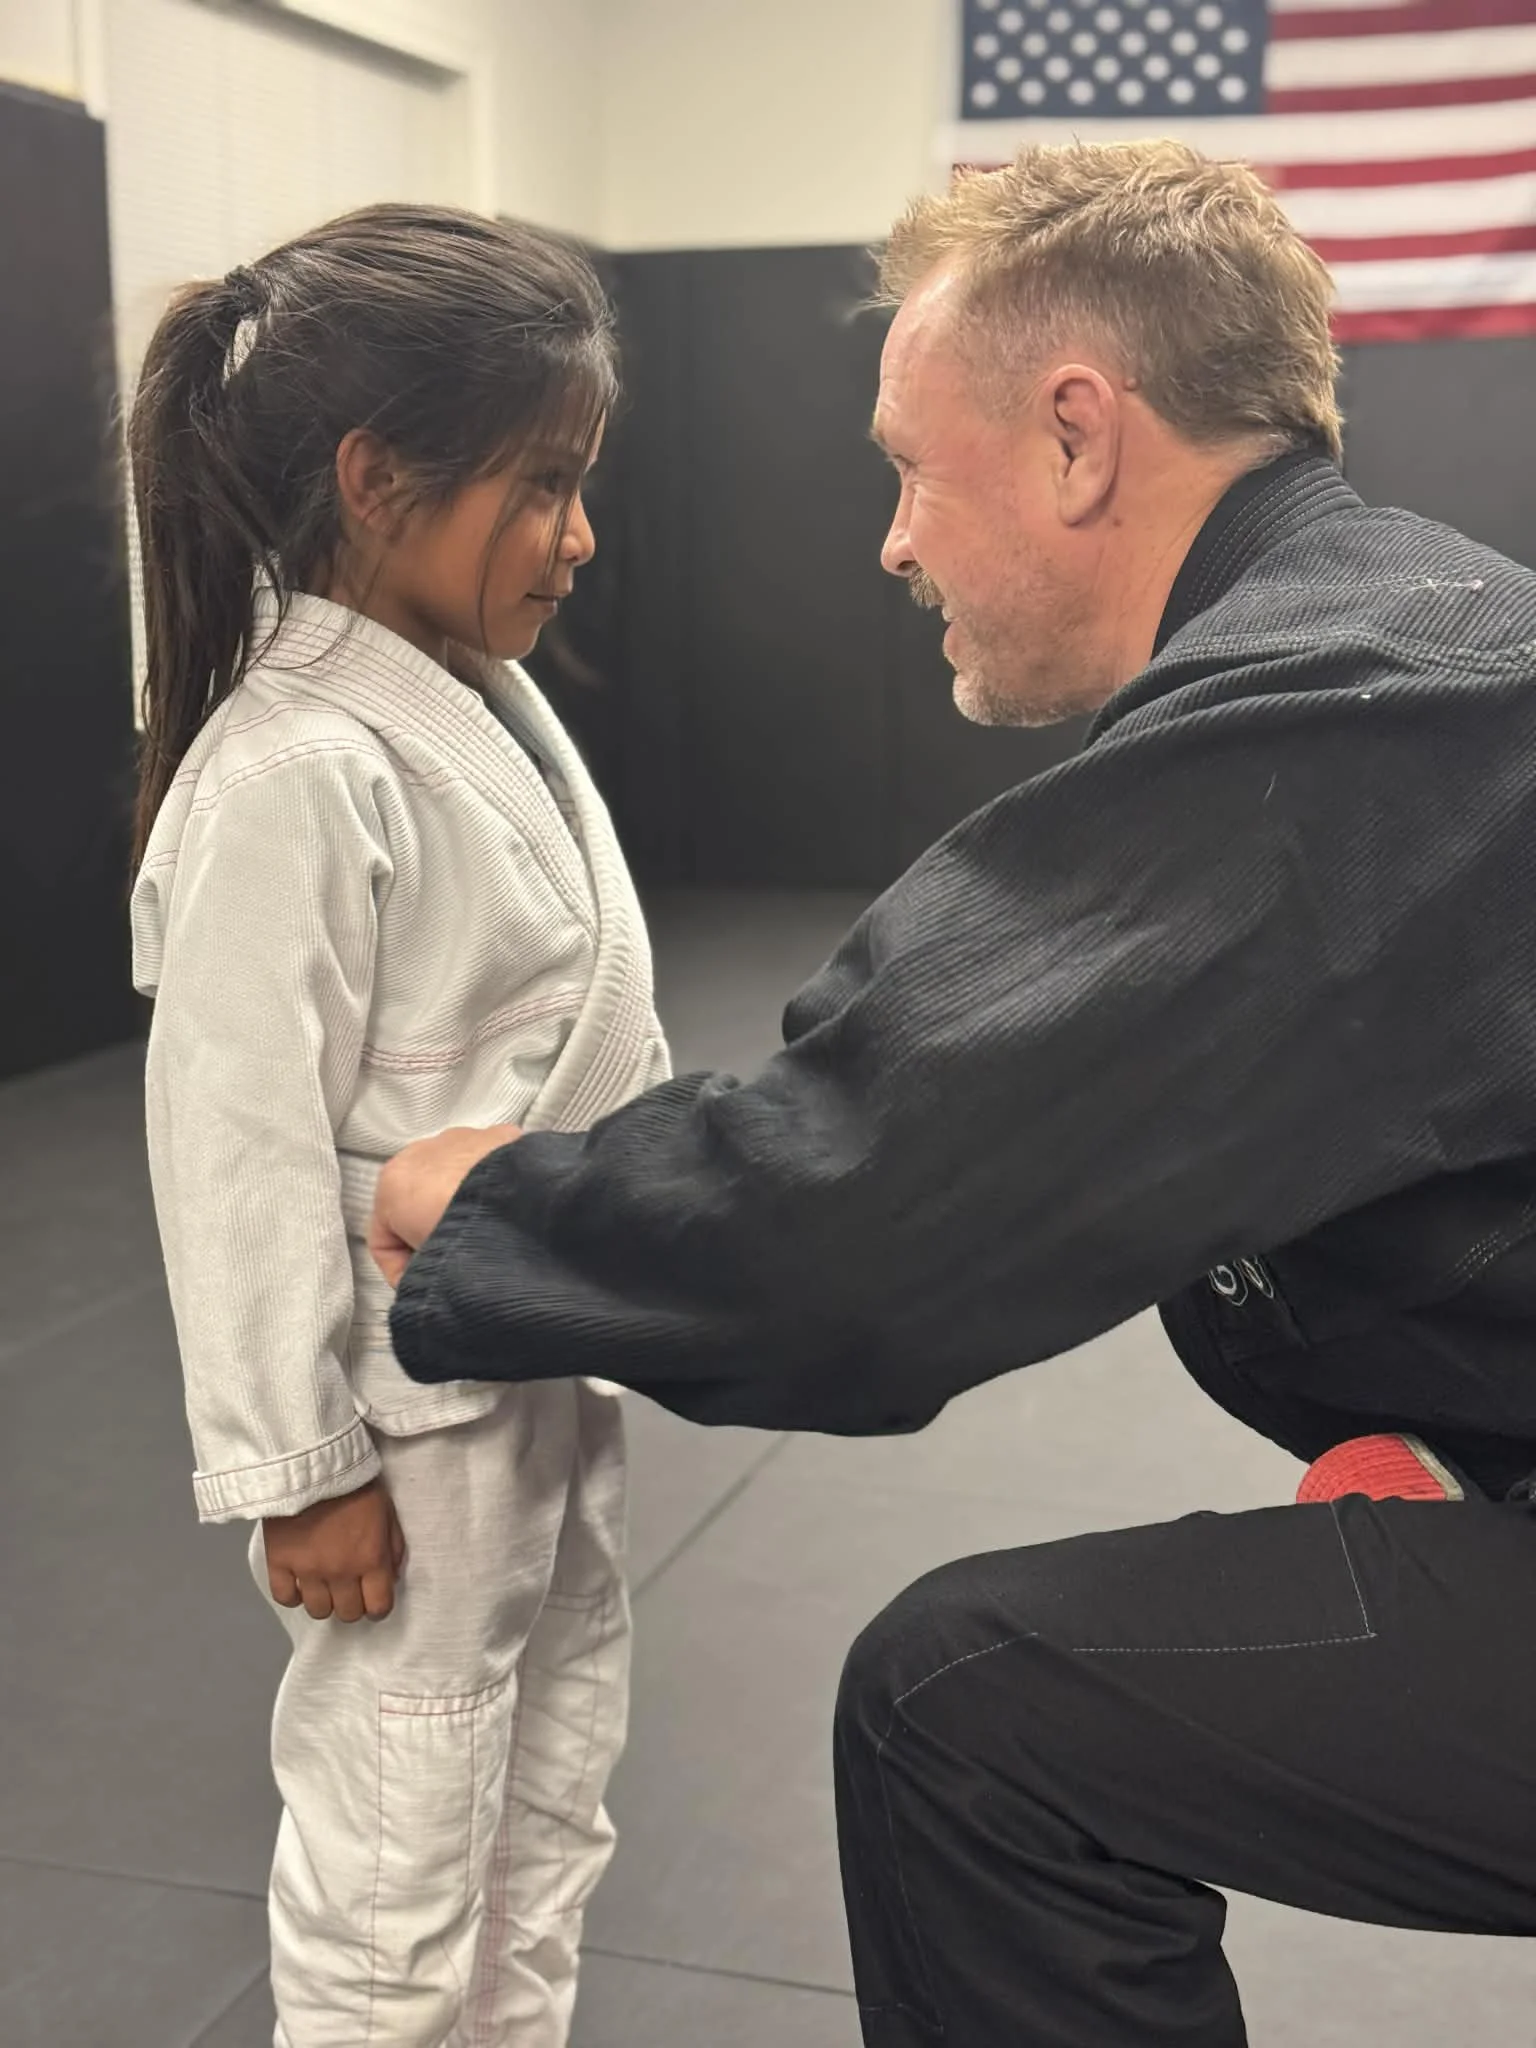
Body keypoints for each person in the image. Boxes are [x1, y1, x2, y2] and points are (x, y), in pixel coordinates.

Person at [369, 142, 1536, 2047]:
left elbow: (852, 1230)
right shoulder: (1442, 632)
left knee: (966, 1710)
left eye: (912, 464)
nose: (896, 540)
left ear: (1079, 437)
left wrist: (492, 1197)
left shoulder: (1335, 725)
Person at [128, 203, 667, 2048]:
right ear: (375, 479)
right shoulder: (294, 765)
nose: (579, 536)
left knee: (546, 1792)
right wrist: (300, 1465)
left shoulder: (471, 704)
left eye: (584, 484)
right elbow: (236, 1144)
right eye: (542, 485)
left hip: (533, 1355)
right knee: (396, 1856)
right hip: (402, 1415)